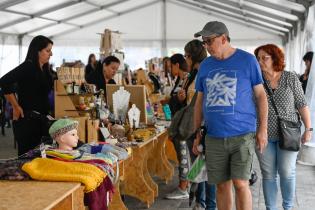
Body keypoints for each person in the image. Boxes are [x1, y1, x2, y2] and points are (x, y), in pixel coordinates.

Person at [193, 21, 268, 210]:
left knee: (241, 184)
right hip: (214, 136)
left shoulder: (248, 61)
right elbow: (199, 102)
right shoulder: (205, 66)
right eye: (204, 43)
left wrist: (263, 129)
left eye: (209, 41)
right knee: (221, 185)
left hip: (242, 135)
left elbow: (261, 96)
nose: (207, 47)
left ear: (224, 38)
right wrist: (197, 134)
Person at [254, 44, 312, 210]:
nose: (260, 62)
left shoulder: (290, 78)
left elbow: (302, 104)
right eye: (258, 58)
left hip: (289, 134)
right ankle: (270, 208)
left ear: (275, 58)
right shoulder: (256, 81)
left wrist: (309, 128)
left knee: (287, 172)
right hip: (263, 134)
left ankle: (287, 207)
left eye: (264, 58)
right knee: (268, 175)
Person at [0, 35, 54, 156]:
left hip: (40, 121)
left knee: (39, 159)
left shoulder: (44, 69)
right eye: (48, 50)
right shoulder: (28, 66)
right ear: (38, 51)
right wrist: (15, 106)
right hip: (28, 122)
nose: (51, 54)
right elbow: (4, 81)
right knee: (27, 159)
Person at [183, 39, 216, 210]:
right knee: (199, 166)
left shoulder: (202, 72)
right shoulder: (196, 73)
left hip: (201, 127)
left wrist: (199, 131)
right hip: (200, 126)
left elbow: (201, 104)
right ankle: (201, 202)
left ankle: (206, 204)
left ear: (190, 56)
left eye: (186, 56)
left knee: (205, 168)